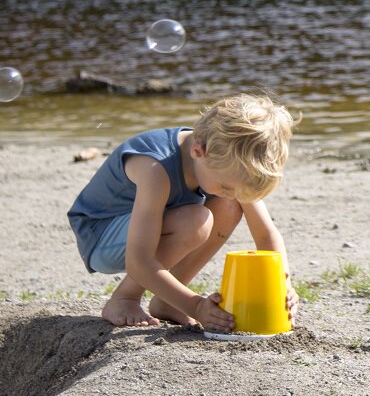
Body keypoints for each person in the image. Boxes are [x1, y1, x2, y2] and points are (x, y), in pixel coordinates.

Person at [68, 92, 299, 330]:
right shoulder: (154, 168)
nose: (230, 192)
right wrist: (195, 305)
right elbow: (139, 260)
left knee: (228, 206)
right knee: (195, 221)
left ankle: (167, 304)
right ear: (198, 152)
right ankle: (124, 298)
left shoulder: (222, 157)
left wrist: (283, 285)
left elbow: (265, 235)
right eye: (226, 186)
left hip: (154, 229)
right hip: (101, 235)